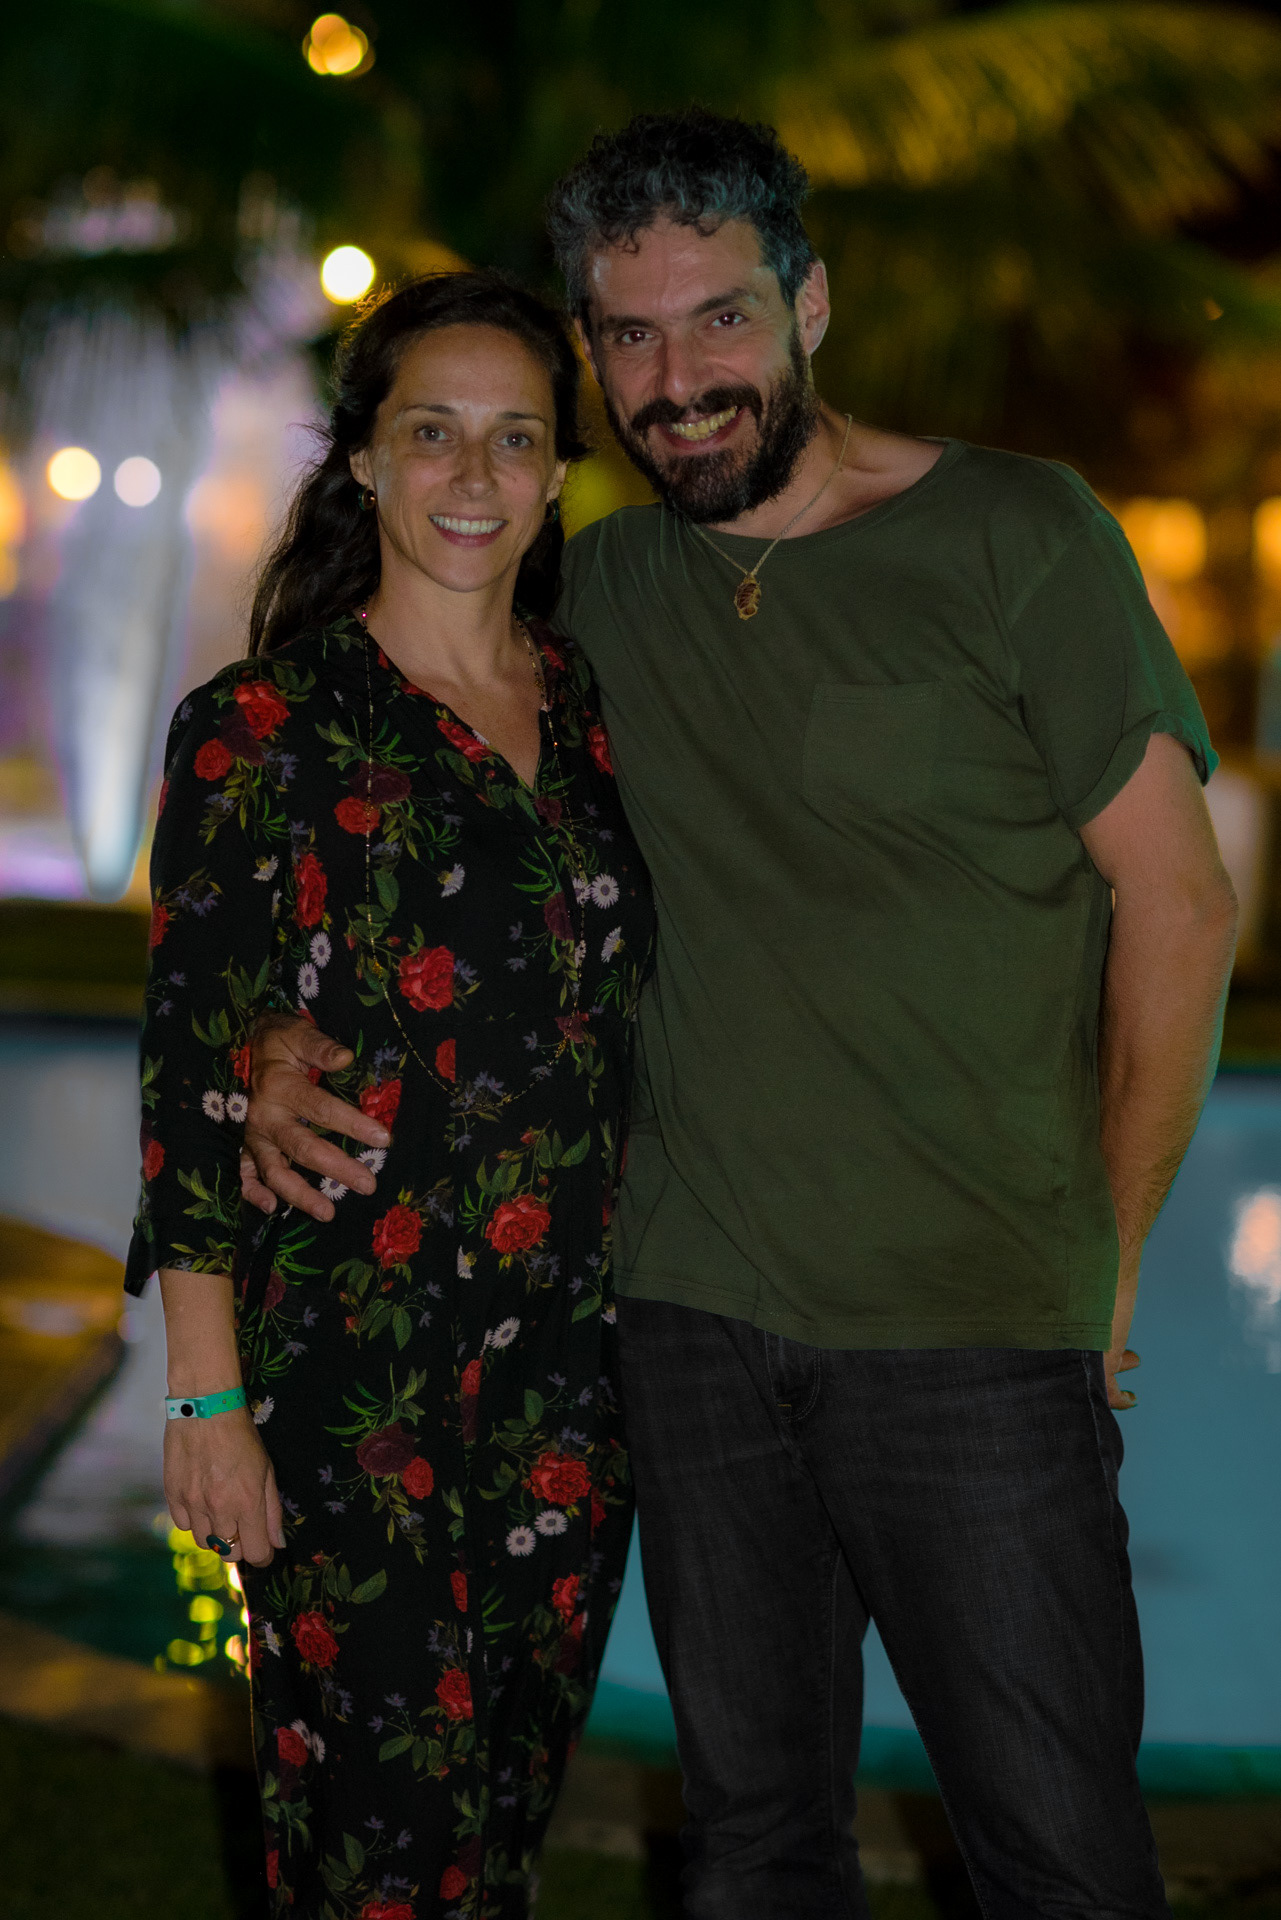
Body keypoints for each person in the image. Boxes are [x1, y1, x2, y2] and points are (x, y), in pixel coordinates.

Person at [239, 113, 1239, 1920]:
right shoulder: (604, 589)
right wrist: (272, 1036)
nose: (676, 379)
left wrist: (1101, 1261)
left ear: (810, 308)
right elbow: (407, 824)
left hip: (969, 1330)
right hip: (688, 1324)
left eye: (720, 319)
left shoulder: (1017, 534)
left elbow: (1178, 908)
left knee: (1062, 1861)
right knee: (756, 1853)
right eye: (628, 335)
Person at [124, 270, 654, 1919]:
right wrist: (206, 1404)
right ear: (361, 457)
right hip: (353, 1382)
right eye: (432, 433)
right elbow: (189, 1072)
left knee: (498, 1837)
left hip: (571, 1383)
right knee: (380, 1854)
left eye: (516, 438)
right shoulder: (262, 729)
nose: (474, 476)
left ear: (558, 472)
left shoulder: (597, 713)